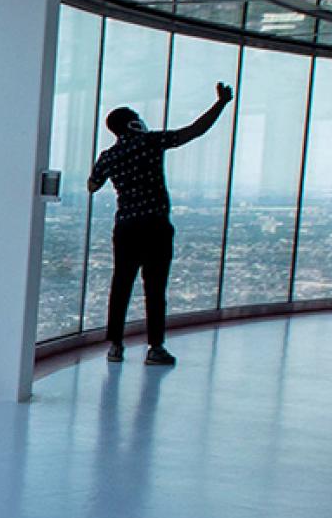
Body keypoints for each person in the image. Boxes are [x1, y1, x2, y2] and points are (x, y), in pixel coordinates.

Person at [87, 81, 233, 365]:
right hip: (155, 226)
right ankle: (155, 348)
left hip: (126, 228)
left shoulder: (109, 156)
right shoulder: (151, 142)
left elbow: (92, 185)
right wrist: (221, 103)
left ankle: (115, 346)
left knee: (121, 285)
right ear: (134, 124)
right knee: (155, 288)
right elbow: (194, 131)